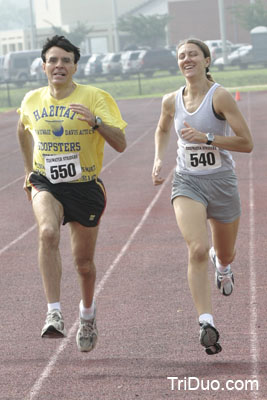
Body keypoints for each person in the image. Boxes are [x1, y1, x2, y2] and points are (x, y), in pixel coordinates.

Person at [17, 35, 127, 352]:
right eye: (53, 60)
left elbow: (120, 143)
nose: (59, 65)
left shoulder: (96, 97)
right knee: (48, 232)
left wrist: (95, 122)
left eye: (66, 60)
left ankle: (88, 315)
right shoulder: (31, 100)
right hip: (46, 181)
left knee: (84, 265)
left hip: (85, 186)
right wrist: (28, 170)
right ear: (43, 66)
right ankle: (54, 313)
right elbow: (22, 127)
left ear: (75, 66)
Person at [152, 38, 253, 355]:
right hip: (187, 182)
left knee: (225, 253)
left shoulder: (219, 96)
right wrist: (158, 158)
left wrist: (208, 137)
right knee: (197, 248)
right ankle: (206, 323)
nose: (186, 59)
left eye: (193, 54)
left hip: (221, 183)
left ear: (207, 60)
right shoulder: (171, 100)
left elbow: (246, 142)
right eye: (181, 56)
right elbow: (163, 127)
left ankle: (222, 267)